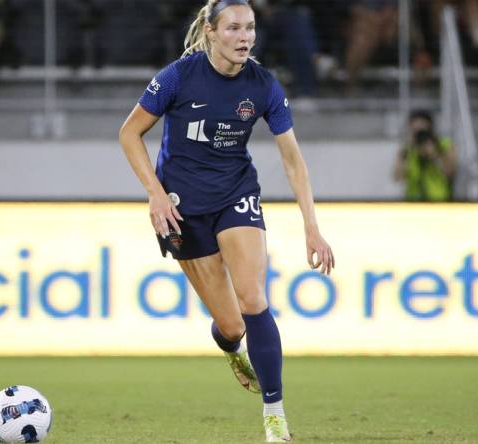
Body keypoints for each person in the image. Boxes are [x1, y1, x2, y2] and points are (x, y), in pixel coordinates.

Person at [118, 0, 334, 441]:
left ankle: (274, 415)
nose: (245, 37)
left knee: (254, 298)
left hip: (236, 196)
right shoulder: (179, 76)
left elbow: (293, 161)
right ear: (212, 32)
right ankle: (233, 349)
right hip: (181, 208)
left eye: (250, 28)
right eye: (234, 28)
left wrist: (312, 226)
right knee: (233, 325)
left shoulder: (263, 85)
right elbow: (129, 133)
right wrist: (155, 196)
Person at [393, 110, 457, 202]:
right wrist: (405, 153)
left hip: (439, 203)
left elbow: (451, 174)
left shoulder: (444, 145)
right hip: (413, 204)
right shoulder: (407, 150)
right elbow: (397, 178)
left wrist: (435, 155)